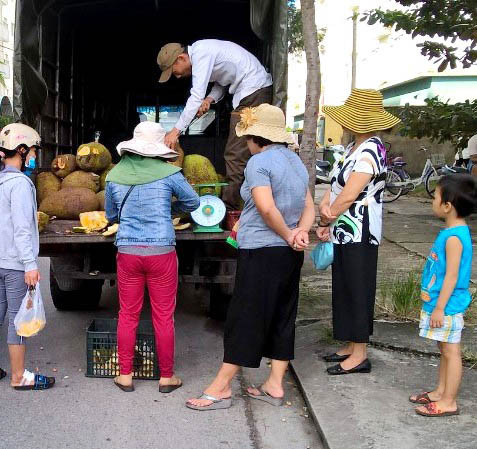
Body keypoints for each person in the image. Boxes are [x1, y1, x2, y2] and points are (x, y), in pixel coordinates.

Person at [186, 104, 314, 411]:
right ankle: (274, 385)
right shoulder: (296, 162)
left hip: (261, 251)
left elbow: (268, 208)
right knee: (283, 315)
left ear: (256, 137)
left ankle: (220, 388)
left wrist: (285, 234)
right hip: (289, 253)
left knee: (245, 317)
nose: (246, 144)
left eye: (247, 138)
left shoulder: (258, 163)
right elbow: (309, 205)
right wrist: (300, 233)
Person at [104, 121, 200, 393]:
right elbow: (193, 202)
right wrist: (170, 211)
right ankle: (166, 377)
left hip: (128, 252)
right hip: (161, 252)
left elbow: (112, 216)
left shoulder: (114, 176)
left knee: (128, 314)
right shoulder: (170, 174)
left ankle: (125, 375)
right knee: (163, 316)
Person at [316, 89, 400, 375]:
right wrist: (326, 206)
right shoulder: (354, 147)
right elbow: (336, 184)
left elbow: (350, 193)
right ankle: (351, 344)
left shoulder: (371, 149)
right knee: (345, 285)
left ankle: (360, 353)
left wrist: (328, 216)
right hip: (344, 229)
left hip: (360, 229)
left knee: (358, 287)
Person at [0, 123, 56, 390]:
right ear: (21, 150)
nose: (34, 156)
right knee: (16, 319)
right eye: (32, 150)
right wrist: (30, 265)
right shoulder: (19, 184)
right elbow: (22, 229)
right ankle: (19, 376)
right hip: (12, 263)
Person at [157, 40, 273, 210]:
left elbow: (195, 96)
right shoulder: (204, 52)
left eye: (174, 72)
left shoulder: (202, 54)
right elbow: (222, 83)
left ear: (181, 58)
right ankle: (245, 203)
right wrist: (210, 99)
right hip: (252, 92)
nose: (177, 76)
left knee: (235, 153)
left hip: (253, 92)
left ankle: (229, 208)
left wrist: (176, 131)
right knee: (242, 152)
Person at [410, 173, 475, 417]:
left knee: (451, 351)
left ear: (447, 206)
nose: (432, 201)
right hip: (440, 303)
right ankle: (440, 391)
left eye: (435, 197)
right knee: (444, 349)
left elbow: (451, 277)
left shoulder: (455, 238)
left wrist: (440, 308)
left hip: (446, 305)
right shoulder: (451, 232)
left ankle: (449, 401)